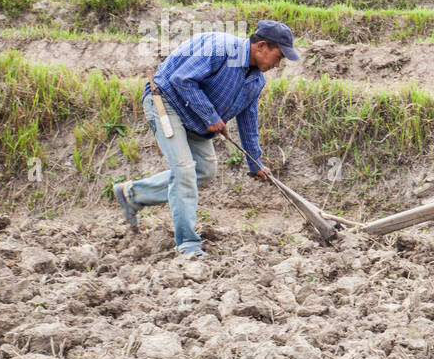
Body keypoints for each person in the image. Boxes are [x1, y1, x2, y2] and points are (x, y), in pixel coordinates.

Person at [113, 19, 301, 259]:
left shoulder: (256, 80)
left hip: (197, 122)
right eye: (279, 56)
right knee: (184, 171)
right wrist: (211, 115)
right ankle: (188, 245)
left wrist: (255, 163)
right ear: (262, 46)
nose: (278, 64)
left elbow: (248, 122)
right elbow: (182, 79)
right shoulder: (222, 49)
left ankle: (133, 194)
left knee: (205, 171)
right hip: (167, 104)